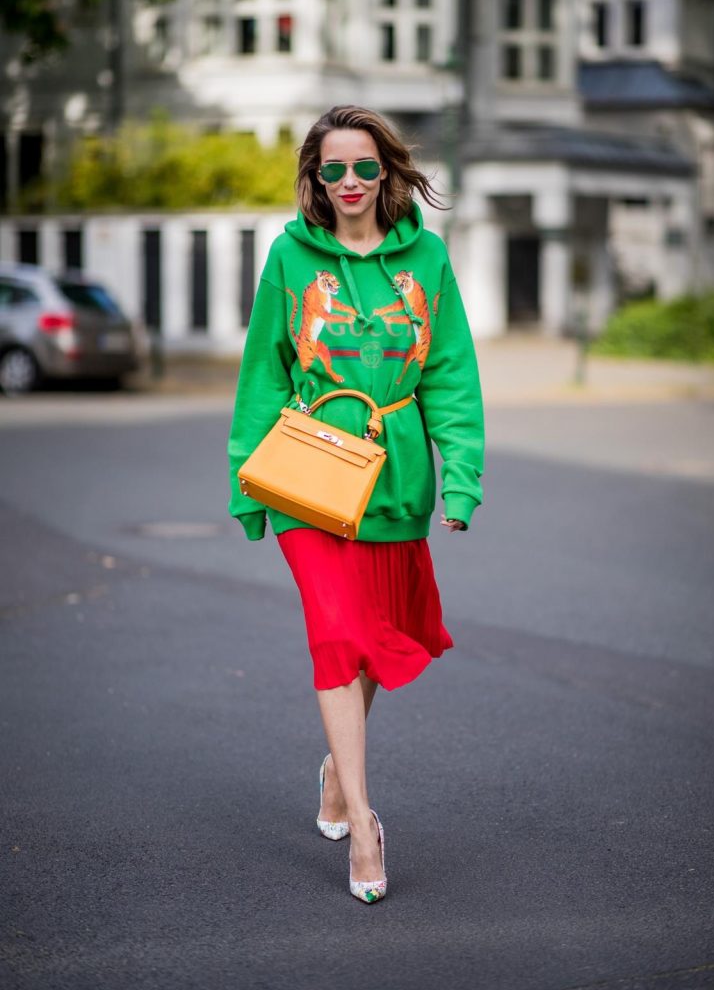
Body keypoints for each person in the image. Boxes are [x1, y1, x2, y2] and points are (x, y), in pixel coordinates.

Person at [227, 105, 484, 904]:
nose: (348, 182)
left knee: (377, 637)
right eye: (332, 169)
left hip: (394, 475)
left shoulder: (428, 260)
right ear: (313, 177)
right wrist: (246, 476)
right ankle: (365, 825)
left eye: (363, 167)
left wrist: (461, 475)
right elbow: (264, 369)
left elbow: (450, 375)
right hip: (308, 472)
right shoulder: (289, 258)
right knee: (337, 636)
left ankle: (338, 771)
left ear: (386, 173)